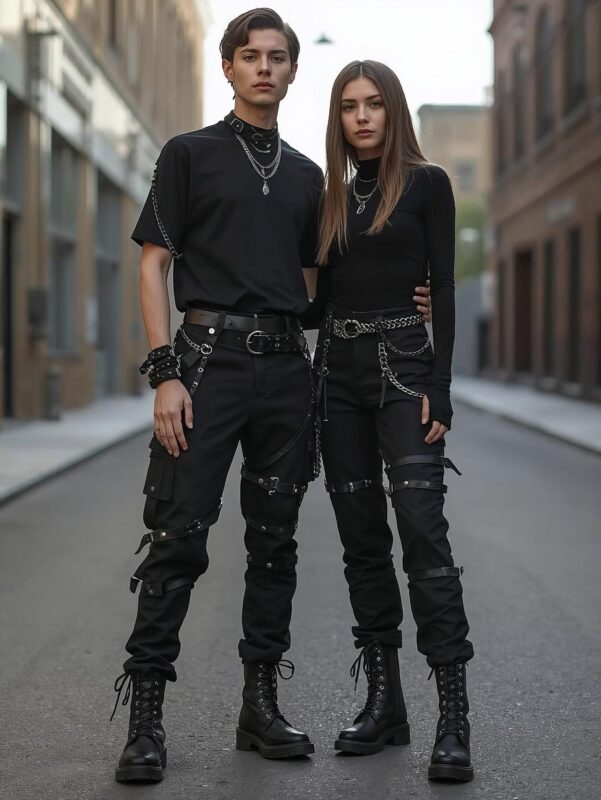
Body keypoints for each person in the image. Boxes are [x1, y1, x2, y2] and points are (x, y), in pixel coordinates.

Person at [110, 6, 434, 784]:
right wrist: (165, 373)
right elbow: (153, 265)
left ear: (292, 71)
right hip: (206, 362)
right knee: (178, 535)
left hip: (289, 373)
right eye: (248, 55)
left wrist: (406, 297)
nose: (263, 67)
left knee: (274, 545)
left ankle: (258, 708)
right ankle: (145, 724)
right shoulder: (187, 155)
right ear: (227, 68)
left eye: (277, 56)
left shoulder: (306, 178)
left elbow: (320, 293)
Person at [310, 60, 474, 782]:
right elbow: (314, 305)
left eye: (374, 104)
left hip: (405, 370)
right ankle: (386, 704)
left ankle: (453, 719)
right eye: (349, 107)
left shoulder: (428, 183)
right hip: (335, 377)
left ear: (393, 110)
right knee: (362, 546)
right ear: (338, 119)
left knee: (423, 539)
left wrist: (439, 385)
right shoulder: (335, 201)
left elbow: (442, 284)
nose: (363, 117)